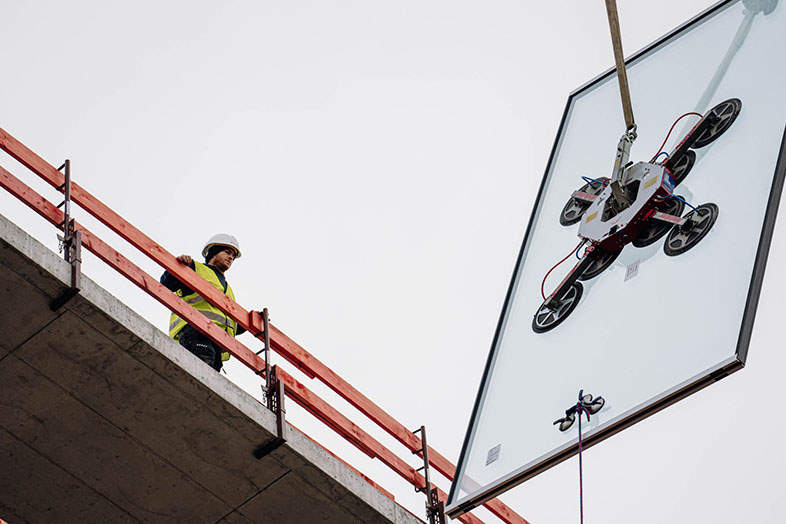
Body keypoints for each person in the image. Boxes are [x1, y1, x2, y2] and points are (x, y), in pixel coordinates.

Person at [161, 233, 246, 371]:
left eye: (233, 256)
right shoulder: (196, 268)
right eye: (227, 252)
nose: (231, 257)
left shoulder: (228, 289)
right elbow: (166, 283)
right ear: (213, 252)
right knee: (201, 374)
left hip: (217, 341)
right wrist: (179, 265)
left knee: (210, 379)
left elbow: (229, 323)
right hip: (195, 331)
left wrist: (250, 323)